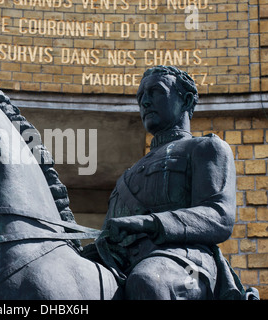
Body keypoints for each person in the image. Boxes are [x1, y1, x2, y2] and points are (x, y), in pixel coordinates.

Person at [91, 65, 258, 299]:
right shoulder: (126, 177)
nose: (145, 102)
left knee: (148, 281)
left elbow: (219, 216)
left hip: (188, 263)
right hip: (123, 264)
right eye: (141, 97)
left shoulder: (206, 148)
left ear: (187, 100)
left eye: (155, 92)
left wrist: (150, 223)